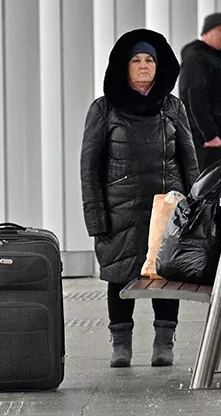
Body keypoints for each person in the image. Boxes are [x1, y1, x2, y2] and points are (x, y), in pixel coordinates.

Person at [80, 29, 200, 368]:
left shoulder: (173, 107)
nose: (144, 65)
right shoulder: (104, 109)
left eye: (150, 60)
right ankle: (121, 344)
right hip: (120, 211)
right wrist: (96, 219)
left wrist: (193, 208)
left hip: (167, 209)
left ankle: (164, 342)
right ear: (125, 67)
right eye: (137, 60)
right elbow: (89, 168)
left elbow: (189, 161)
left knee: (166, 275)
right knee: (120, 276)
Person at [179, 12, 221, 171]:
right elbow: (192, 97)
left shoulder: (220, 62)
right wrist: (209, 136)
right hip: (212, 147)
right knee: (213, 192)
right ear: (206, 33)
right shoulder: (197, 59)